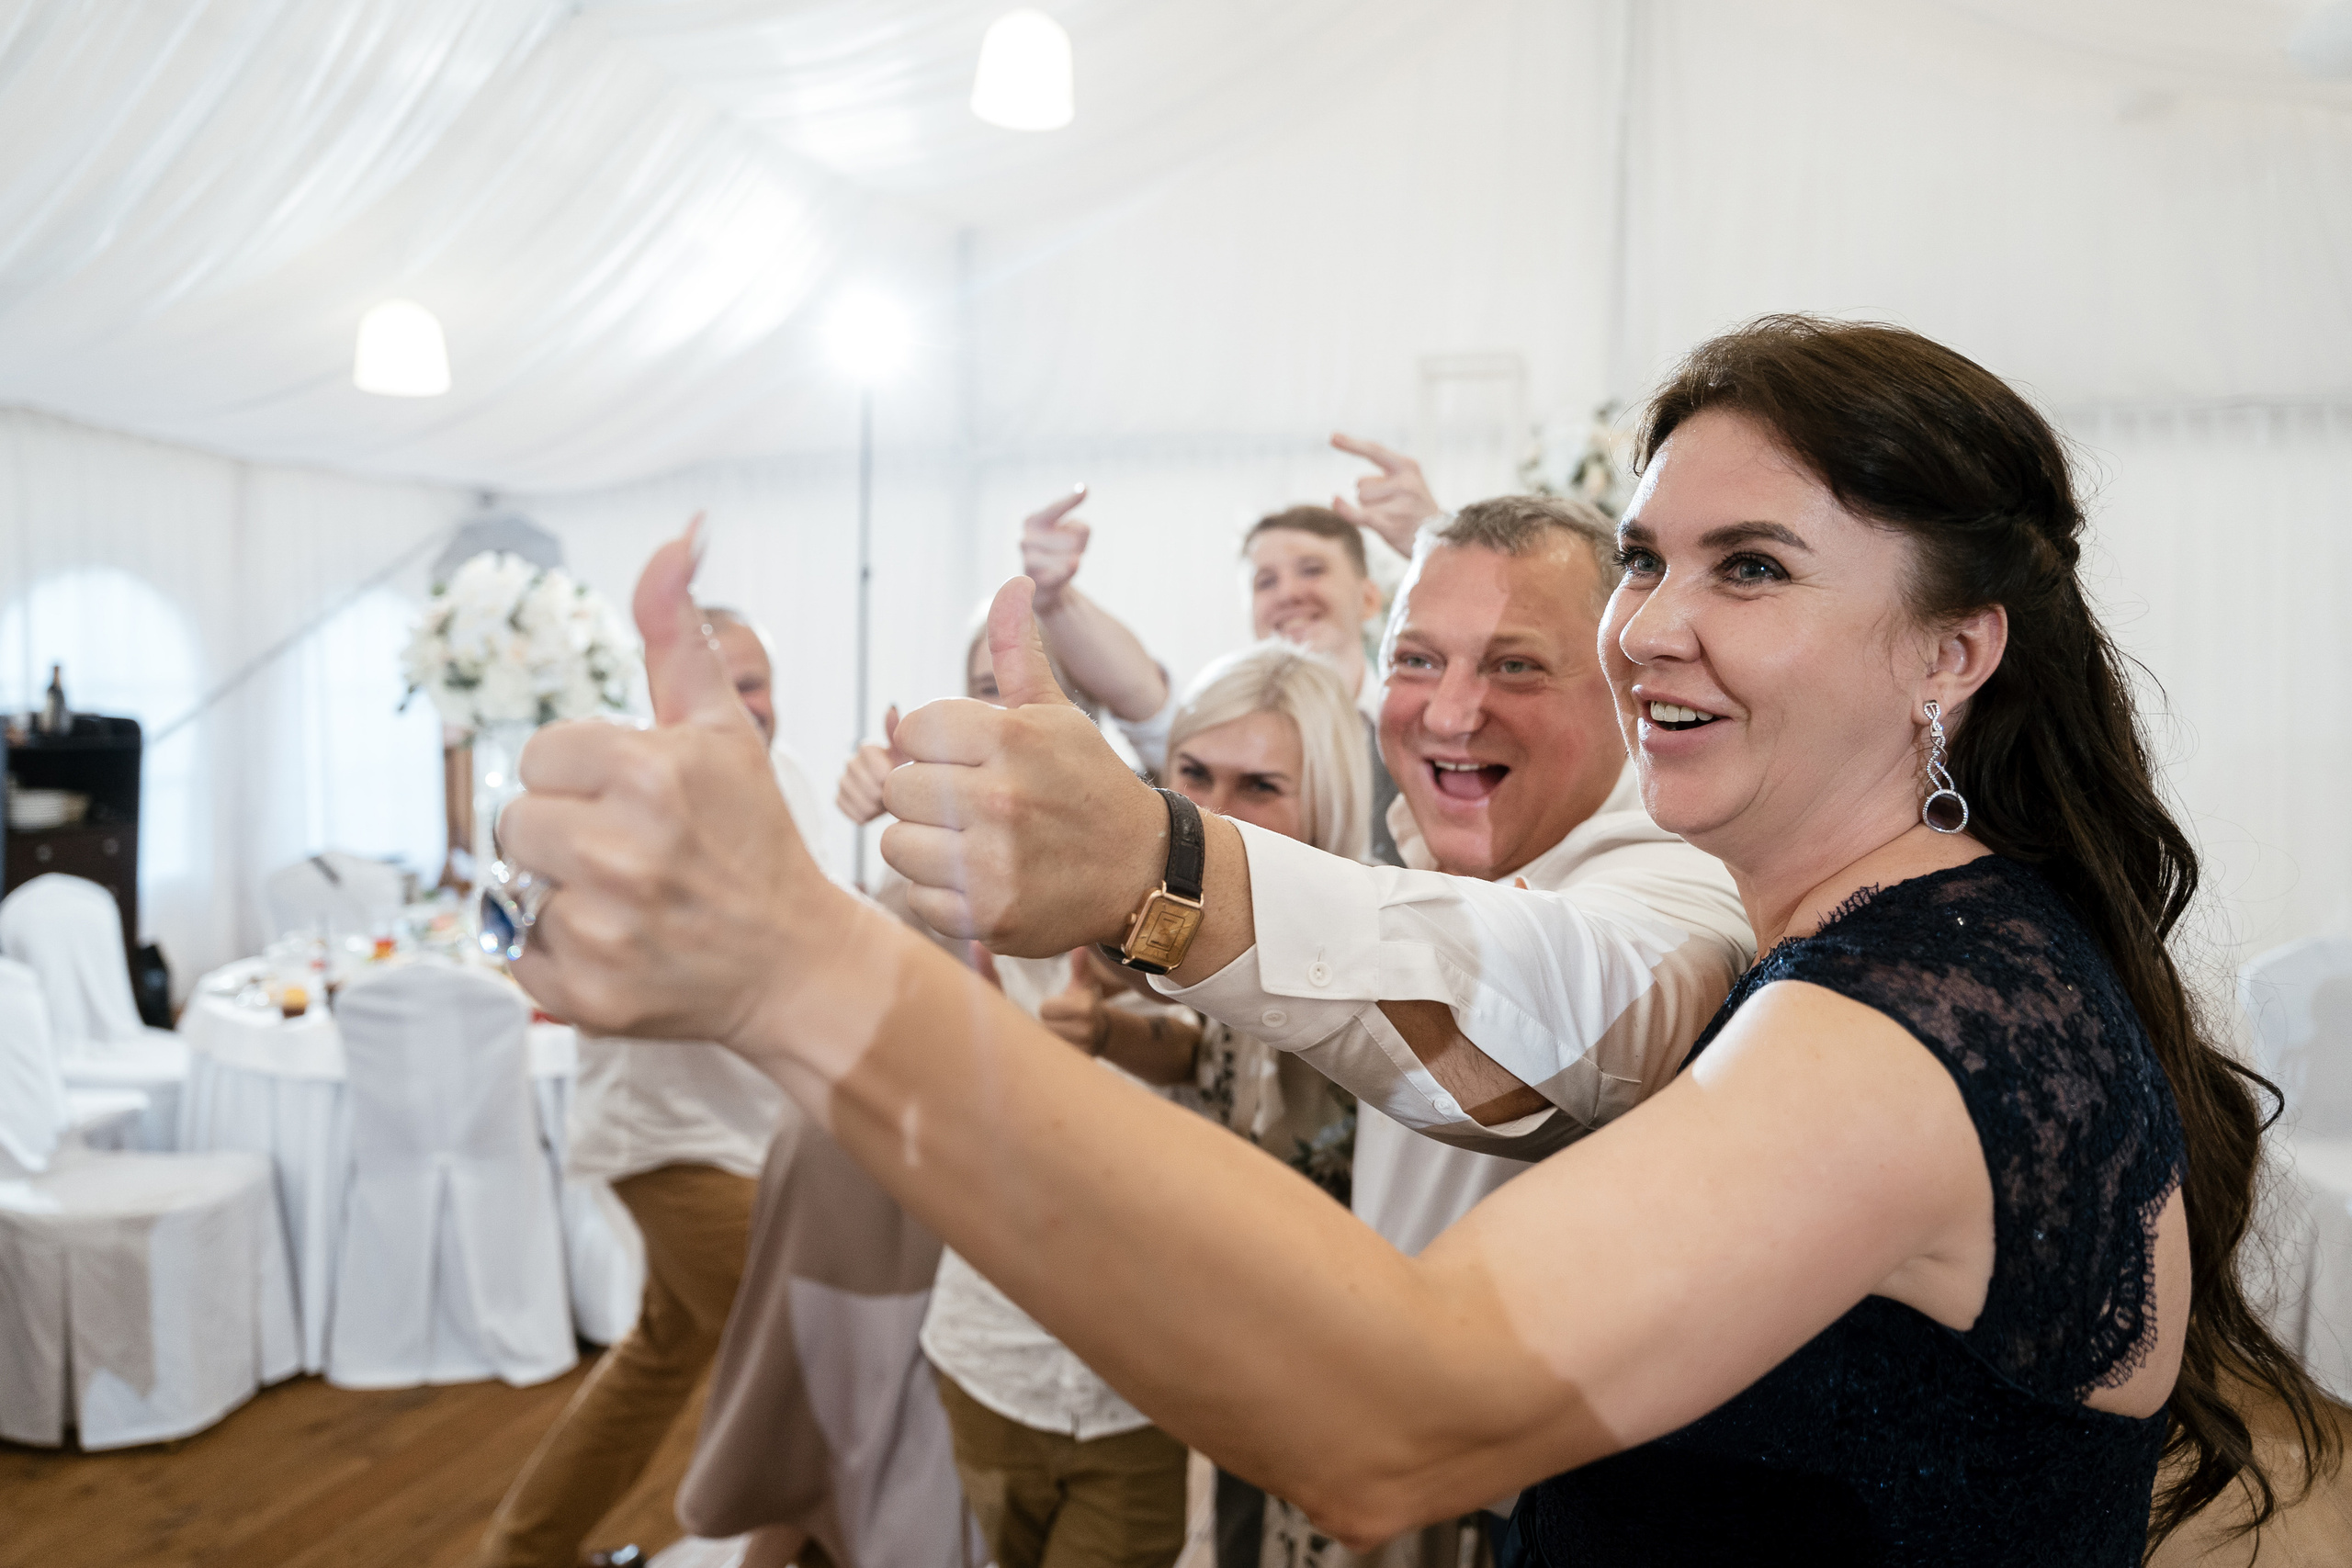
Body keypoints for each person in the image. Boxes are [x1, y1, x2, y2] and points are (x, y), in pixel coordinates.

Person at [500, 317, 2335, 1562]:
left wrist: (802, 965)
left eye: (1749, 567)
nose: (1654, 627)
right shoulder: (1959, 931)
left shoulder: (1904, 1022)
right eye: (1646, 556)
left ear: (1950, 649)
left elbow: (1400, 1393)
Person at [475, 606, 815, 1568]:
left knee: (663, 1353)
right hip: (668, 1138)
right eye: (719, 686)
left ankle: (524, 1550)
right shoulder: (627, 801)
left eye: (755, 683)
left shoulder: (784, 782)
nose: (745, 708)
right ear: (663, 698)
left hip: (763, 1128)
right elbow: (524, 930)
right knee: (817, 1362)